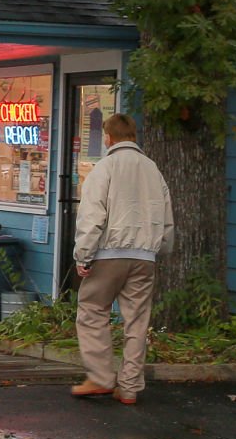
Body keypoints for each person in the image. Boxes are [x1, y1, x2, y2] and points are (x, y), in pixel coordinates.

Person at [70, 112, 173, 406]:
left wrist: (84, 255)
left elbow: (92, 216)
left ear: (108, 137)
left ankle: (101, 378)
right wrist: (159, 250)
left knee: (92, 311)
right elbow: (167, 219)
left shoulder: (105, 169)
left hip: (109, 255)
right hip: (145, 257)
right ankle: (129, 387)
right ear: (134, 136)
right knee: (137, 321)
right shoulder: (153, 170)